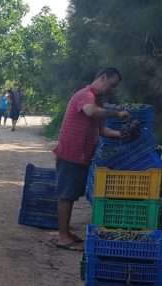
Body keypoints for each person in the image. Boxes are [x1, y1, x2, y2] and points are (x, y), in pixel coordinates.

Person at [53, 68, 129, 250]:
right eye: (111, 85)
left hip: (82, 156)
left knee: (71, 195)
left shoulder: (97, 102)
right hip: (70, 153)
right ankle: (62, 236)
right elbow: (90, 111)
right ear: (102, 78)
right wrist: (116, 114)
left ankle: (66, 232)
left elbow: (103, 130)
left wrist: (121, 134)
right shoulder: (85, 95)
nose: (111, 90)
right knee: (66, 195)